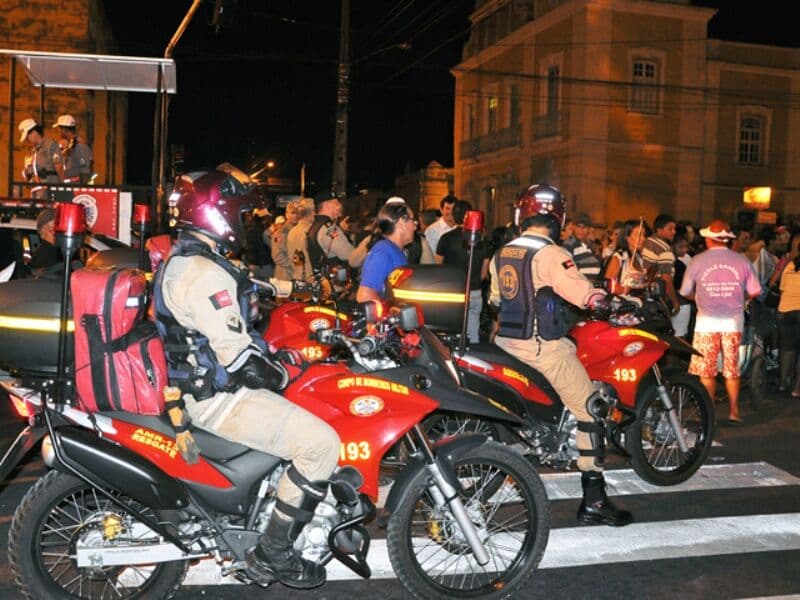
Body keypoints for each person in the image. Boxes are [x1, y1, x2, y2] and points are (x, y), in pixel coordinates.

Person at [153, 168, 339, 589]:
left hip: (192, 386)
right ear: (215, 215)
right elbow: (243, 365)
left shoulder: (190, 259)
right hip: (217, 398)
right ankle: (274, 554)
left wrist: (300, 291)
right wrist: (288, 369)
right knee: (321, 444)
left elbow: (248, 284)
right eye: (240, 214)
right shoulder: (204, 273)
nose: (246, 222)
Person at [489, 183, 632, 526]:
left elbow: (496, 300)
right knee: (592, 410)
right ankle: (594, 501)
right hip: (544, 350)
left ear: (523, 215)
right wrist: (609, 303)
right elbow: (584, 294)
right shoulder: (552, 254)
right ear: (557, 218)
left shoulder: (502, 253)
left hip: (507, 346)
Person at [679, 220, 761, 426]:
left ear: (708, 239)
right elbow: (755, 291)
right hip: (733, 323)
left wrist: (700, 297)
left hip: (705, 324)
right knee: (732, 368)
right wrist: (738, 296)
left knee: (707, 371)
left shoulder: (697, 260)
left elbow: (685, 291)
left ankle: (710, 413)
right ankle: (734, 411)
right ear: (727, 240)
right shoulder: (741, 261)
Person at [436, 200, 490, 343]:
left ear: (453, 216)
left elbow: (438, 267)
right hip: (474, 291)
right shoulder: (481, 241)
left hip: (451, 292)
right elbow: (484, 274)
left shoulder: (446, 239)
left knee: (450, 333)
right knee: (473, 334)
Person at [356, 198, 416, 302]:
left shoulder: (393, 250)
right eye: (413, 220)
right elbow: (365, 295)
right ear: (401, 223)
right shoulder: (383, 251)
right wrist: (389, 311)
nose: (415, 226)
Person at [641, 214, 681, 311]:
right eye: (670, 229)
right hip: (658, 295)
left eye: (674, 229)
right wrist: (675, 302)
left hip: (645, 293)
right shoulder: (664, 248)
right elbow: (666, 278)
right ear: (659, 230)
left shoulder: (648, 241)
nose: (674, 232)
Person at [307, 193, 354, 274]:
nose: (340, 206)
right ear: (326, 205)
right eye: (337, 203)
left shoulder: (316, 226)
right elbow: (347, 254)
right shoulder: (329, 228)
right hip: (335, 279)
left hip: (323, 277)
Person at [777, 236, 800, 398]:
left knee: (787, 348)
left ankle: (783, 383)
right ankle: (797, 388)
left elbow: (782, 289)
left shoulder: (789, 266)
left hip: (785, 311)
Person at [18, 118, 63, 198]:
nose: (27, 140)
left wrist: (63, 187)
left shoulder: (50, 145)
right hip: (37, 193)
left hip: (50, 192)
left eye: (27, 137)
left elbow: (59, 166)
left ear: (34, 132)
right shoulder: (33, 152)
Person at [603, 219, 649, 293]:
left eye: (644, 235)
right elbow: (608, 285)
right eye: (638, 235)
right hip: (624, 299)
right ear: (627, 237)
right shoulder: (619, 257)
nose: (643, 238)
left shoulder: (639, 258)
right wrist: (626, 290)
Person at [562, 212, 603, 283]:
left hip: (589, 286)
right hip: (577, 286)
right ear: (573, 227)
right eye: (578, 226)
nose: (581, 230)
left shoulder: (590, 246)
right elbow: (565, 268)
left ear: (589, 229)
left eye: (584, 227)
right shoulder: (569, 245)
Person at [52, 114, 92, 184]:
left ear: (65, 129)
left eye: (59, 128)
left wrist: (84, 187)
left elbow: (85, 169)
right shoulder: (66, 146)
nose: (58, 131)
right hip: (66, 186)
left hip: (74, 187)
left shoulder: (81, 147)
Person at [287, 197, 315, 280]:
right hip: (312, 278)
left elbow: (292, 258)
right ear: (313, 213)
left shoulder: (292, 232)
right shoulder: (314, 231)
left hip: (298, 276)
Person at [671, 235, 692, 339]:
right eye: (681, 247)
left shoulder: (680, 263)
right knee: (679, 337)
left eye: (686, 247)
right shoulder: (678, 264)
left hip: (674, 302)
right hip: (680, 303)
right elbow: (683, 288)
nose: (685, 250)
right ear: (672, 246)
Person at [272, 200, 299, 280]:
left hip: (297, 276)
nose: (296, 215)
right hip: (286, 276)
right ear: (286, 214)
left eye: (298, 213)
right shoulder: (281, 233)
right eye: (293, 213)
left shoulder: (300, 231)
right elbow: (278, 256)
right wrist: (296, 265)